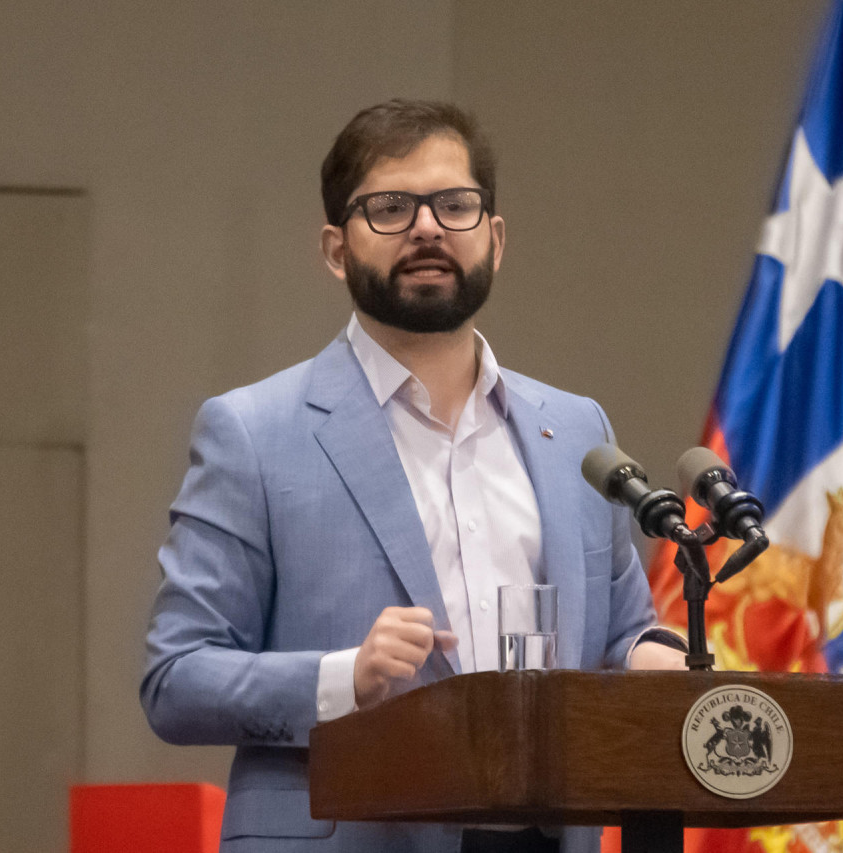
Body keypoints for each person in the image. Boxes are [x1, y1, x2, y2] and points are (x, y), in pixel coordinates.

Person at [141, 99, 687, 853]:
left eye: (455, 205)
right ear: (336, 249)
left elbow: (621, 633)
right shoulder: (253, 433)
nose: (428, 227)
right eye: (391, 207)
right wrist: (344, 679)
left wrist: (653, 658)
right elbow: (176, 680)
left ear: (494, 239)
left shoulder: (577, 431)